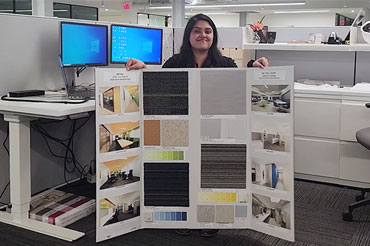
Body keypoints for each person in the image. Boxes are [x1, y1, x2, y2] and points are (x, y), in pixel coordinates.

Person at [125, 13, 269, 238]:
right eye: (197, 30)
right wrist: (144, 70)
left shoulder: (224, 64)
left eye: (208, 31)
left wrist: (254, 65)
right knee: (179, 172)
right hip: (180, 128)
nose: (203, 35)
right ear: (188, 35)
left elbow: (242, 79)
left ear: (214, 36)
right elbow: (159, 87)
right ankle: (183, 214)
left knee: (212, 172)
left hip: (213, 130)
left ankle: (209, 218)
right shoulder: (175, 63)